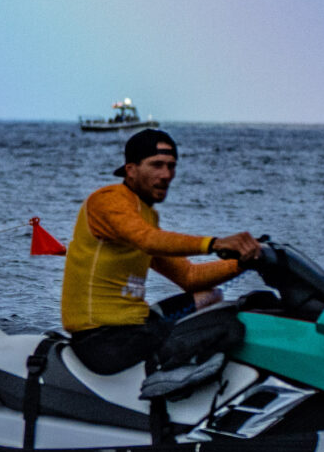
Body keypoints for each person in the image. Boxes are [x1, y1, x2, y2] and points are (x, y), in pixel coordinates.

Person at [60, 129, 262, 376]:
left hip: (135, 327)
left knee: (214, 299)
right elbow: (147, 240)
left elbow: (189, 276)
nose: (166, 175)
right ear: (131, 170)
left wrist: (246, 261)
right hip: (102, 341)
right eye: (157, 165)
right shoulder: (107, 200)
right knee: (225, 328)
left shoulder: (146, 215)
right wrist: (215, 243)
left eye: (171, 166)